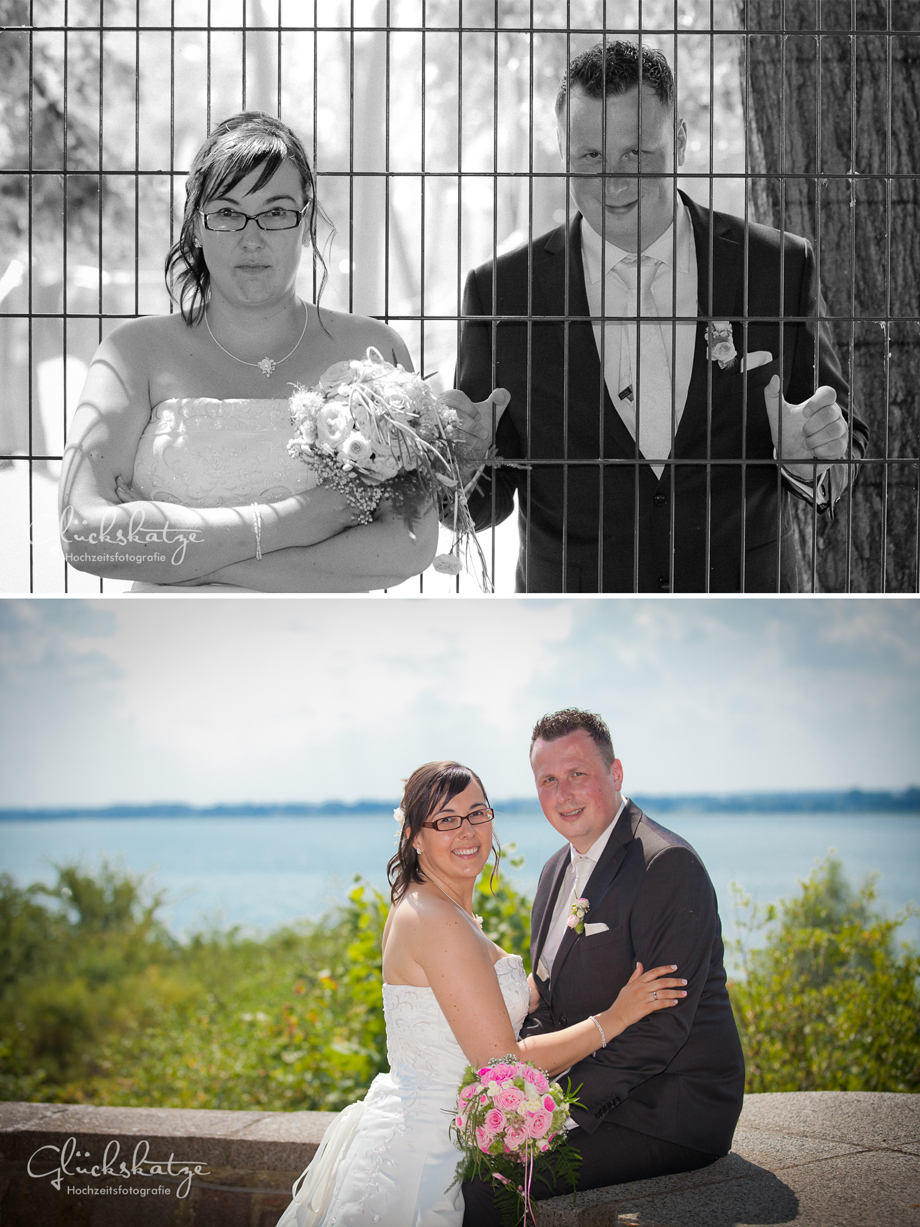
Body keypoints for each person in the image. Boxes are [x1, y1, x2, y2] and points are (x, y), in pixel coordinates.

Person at [456, 41, 869, 592]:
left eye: (637, 154)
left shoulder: (775, 267)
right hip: (573, 627)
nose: (616, 182)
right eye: (592, 157)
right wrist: (459, 467)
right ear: (561, 151)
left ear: (678, 141)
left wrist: (812, 460)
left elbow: (841, 441)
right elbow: (479, 502)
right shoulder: (501, 293)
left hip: (744, 614)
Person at [58, 112, 494, 592]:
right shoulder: (131, 354)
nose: (252, 237)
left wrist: (190, 561)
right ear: (196, 226)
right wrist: (295, 521)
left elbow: (408, 542)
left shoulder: (373, 349)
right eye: (226, 212)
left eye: (275, 211)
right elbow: (85, 536)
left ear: (305, 223)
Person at [277, 760, 686, 1227]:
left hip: (434, 1133)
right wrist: (613, 1019)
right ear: (414, 835)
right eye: (446, 820)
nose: (467, 831)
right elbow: (504, 1063)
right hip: (426, 1156)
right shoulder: (436, 920)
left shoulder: (433, 906)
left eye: (477, 813)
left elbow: (486, 1002)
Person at [462, 709, 745, 1225]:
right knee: (466, 1157)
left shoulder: (666, 866)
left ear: (615, 774)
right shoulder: (554, 872)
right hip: (595, 1085)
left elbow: (663, 1029)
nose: (563, 793)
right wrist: (522, 1082)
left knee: (491, 1183)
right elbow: (547, 998)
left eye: (577, 774)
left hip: (670, 1108)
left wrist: (553, 1109)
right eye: (548, 779)